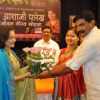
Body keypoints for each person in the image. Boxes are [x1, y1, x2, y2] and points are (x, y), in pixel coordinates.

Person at [39, 10, 100, 100]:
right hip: (89, 88)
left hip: (92, 91)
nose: (79, 29)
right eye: (77, 26)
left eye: (82, 25)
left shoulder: (92, 41)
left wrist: (47, 73)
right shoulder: (91, 38)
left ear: (92, 23)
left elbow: (69, 67)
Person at [39, 28, 86, 100]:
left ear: (78, 38)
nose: (69, 38)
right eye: (67, 35)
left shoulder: (80, 51)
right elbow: (55, 67)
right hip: (59, 84)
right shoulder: (61, 51)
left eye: (72, 36)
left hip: (74, 85)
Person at [0, 26, 36, 100]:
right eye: (11, 38)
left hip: (15, 90)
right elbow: (8, 79)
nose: (14, 40)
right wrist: (26, 75)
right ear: (3, 39)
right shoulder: (1, 56)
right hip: (6, 92)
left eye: (14, 37)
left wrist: (32, 66)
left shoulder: (12, 52)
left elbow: (16, 71)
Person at [34, 26, 60, 100]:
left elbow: (56, 59)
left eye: (48, 32)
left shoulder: (55, 45)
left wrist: (48, 69)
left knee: (50, 94)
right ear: (42, 33)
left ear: (51, 34)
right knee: (39, 94)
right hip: (40, 73)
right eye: (44, 32)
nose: (46, 33)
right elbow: (35, 58)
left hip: (51, 73)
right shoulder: (37, 44)